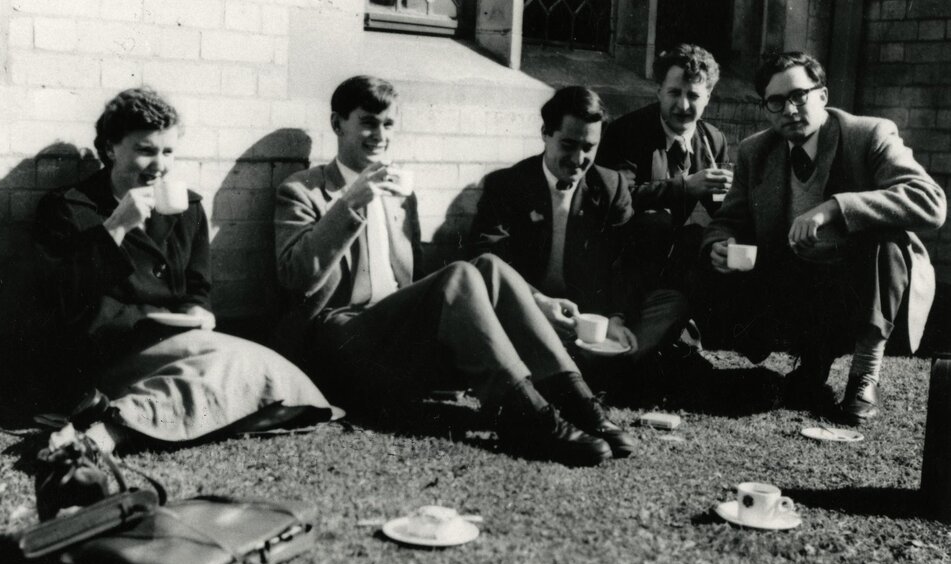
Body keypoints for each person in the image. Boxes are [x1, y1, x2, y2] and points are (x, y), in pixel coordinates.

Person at [274, 75, 635, 466]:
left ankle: (579, 403)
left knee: (488, 266)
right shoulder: (302, 191)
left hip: (392, 341)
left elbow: (412, 281)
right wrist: (350, 205)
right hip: (339, 343)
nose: (380, 134)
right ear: (336, 123)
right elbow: (295, 278)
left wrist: (538, 301)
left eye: (389, 124)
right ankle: (525, 415)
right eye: (368, 121)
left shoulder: (398, 194)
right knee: (460, 273)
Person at [34, 87, 332, 455]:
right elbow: (59, 299)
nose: (160, 165)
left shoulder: (186, 207)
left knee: (278, 380)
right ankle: (111, 430)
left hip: (175, 341)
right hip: (108, 350)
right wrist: (115, 227)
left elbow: (197, 288)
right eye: (146, 150)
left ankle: (131, 422)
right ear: (111, 149)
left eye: (168, 151)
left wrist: (196, 311)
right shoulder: (67, 208)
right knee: (238, 369)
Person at [701, 52, 946, 424]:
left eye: (800, 95)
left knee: (887, 241)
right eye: (776, 101)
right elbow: (728, 219)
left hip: (861, 280)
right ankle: (812, 360)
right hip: (795, 278)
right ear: (766, 108)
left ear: (823, 96)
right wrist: (719, 244)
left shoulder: (870, 134)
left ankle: (865, 375)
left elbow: (931, 203)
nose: (790, 109)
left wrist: (834, 208)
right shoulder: (756, 150)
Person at [469, 86, 688, 385]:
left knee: (669, 302)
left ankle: (566, 362)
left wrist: (616, 317)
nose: (578, 158)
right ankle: (591, 366)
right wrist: (537, 301)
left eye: (589, 147)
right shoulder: (507, 184)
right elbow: (486, 257)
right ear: (546, 133)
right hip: (527, 308)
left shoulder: (611, 185)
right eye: (568, 145)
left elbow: (626, 263)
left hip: (589, 315)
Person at [596, 44, 732, 299]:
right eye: (673, 93)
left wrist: (729, 201)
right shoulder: (626, 132)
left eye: (693, 95)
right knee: (656, 221)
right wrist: (686, 186)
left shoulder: (714, 139)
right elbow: (613, 199)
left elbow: (723, 212)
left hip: (672, 256)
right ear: (658, 92)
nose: (682, 106)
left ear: (708, 97)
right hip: (622, 257)